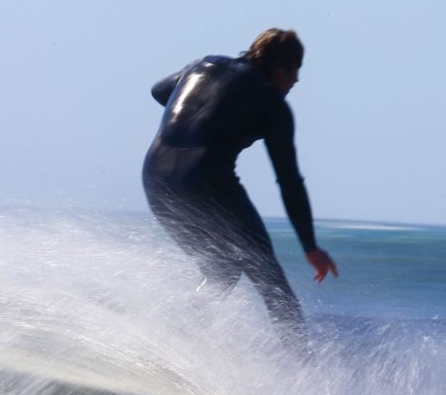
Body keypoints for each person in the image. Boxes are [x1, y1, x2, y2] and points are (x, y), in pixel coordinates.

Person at [142, 29, 337, 342]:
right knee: (272, 284)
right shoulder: (272, 104)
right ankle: (305, 375)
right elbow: (289, 181)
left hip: (157, 178)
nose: (296, 81)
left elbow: (158, 91)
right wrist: (310, 247)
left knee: (222, 271)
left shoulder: (203, 65)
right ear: (279, 65)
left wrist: (198, 113)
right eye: (295, 70)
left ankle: (169, 338)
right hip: (207, 183)